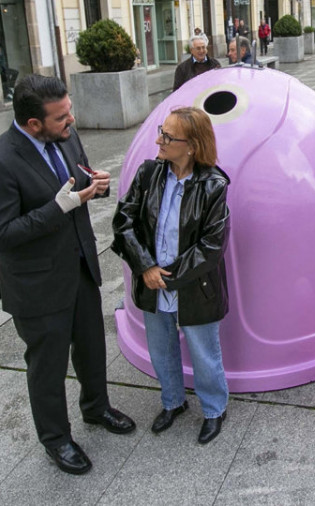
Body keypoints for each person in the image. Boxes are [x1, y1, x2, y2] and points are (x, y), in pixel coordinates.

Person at [0, 74, 136, 475]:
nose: (72, 121)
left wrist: (93, 185)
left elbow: (75, 181)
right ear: (33, 124)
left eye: (70, 111)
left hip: (78, 267)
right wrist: (60, 207)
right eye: (62, 117)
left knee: (92, 347)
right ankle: (56, 439)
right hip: (36, 285)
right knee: (47, 367)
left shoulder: (63, 135)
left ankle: (96, 409)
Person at [111, 107, 231, 445]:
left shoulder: (213, 185)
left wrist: (169, 276)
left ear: (191, 145)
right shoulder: (149, 173)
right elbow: (124, 221)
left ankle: (213, 409)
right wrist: (146, 266)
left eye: (167, 136)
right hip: (152, 280)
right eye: (161, 132)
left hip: (194, 285)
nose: (158, 140)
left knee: (204, 351)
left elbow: (212, 244)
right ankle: (172, 402)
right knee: (161, 349)